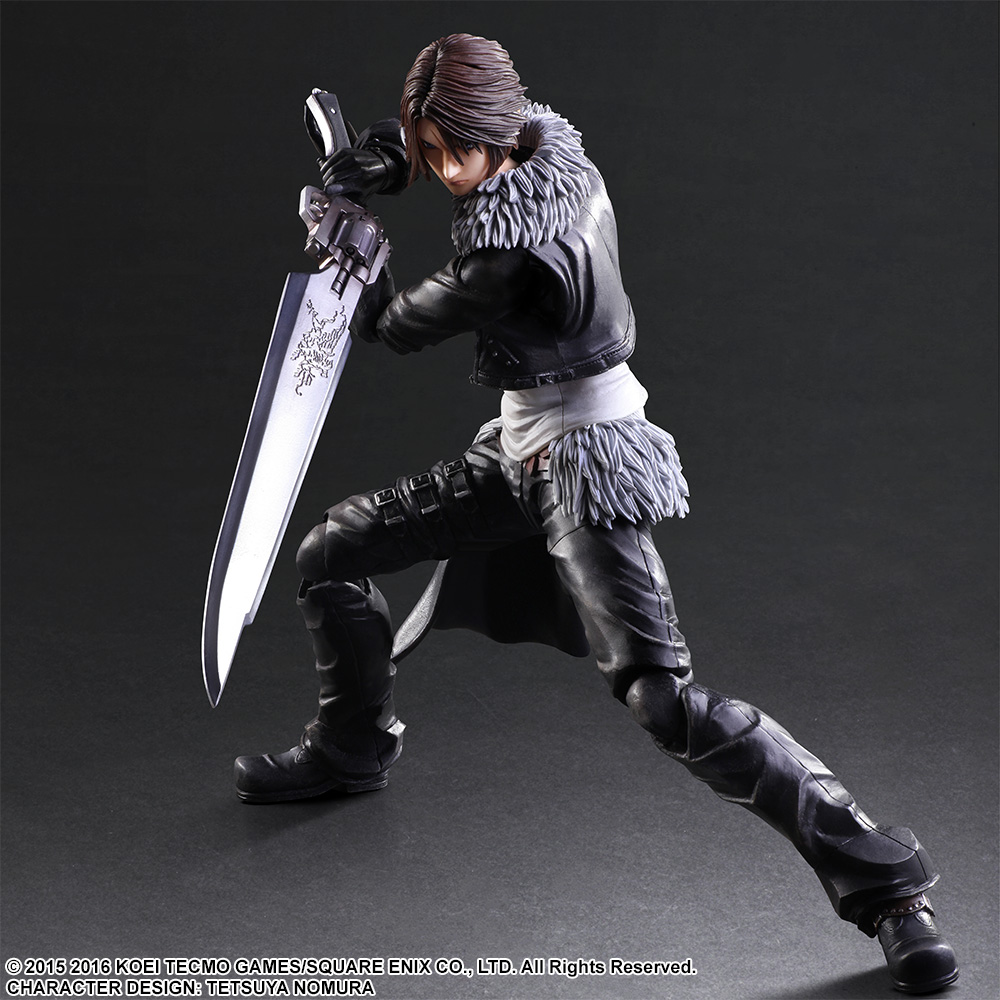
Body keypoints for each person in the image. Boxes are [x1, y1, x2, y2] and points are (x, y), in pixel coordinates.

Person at [234, 34, 958, 995]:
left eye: (455, 151)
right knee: (331, 552)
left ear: (496, 134)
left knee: (663, 699)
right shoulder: (554, 150)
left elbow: (388, 327)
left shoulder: (506, 258)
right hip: (514, 451)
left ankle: (891, 889)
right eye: (429, 149)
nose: (445, 171)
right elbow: (461, 145)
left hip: (585, 466)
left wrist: (346, 237)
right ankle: (350, 747)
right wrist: (387, 156)